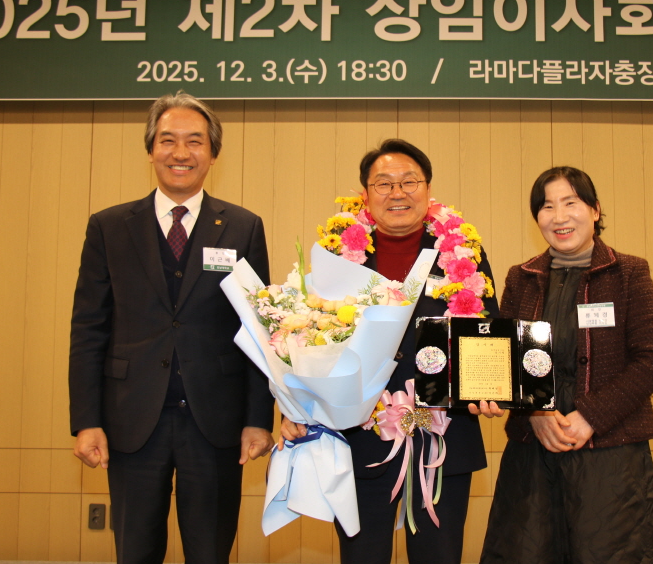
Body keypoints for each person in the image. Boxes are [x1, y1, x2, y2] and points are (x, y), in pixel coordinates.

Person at [68, 91, 274, 564]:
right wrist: (87, 420)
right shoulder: (109, 227)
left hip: (216, 423)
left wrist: (257, 419)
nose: (181, 152)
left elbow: (259, 327)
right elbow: (89, 329)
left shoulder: (243, 227)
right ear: (150, 149)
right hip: (131, 421)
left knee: (210, 552)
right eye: (168, 140)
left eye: (195, 141)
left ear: (213, 153)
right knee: (135, 552)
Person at [282, 139, 499, 564]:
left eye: (409, 181)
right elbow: (308, 339)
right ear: (365, 194)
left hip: (443, 437)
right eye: (383, 183)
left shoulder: (463, 253)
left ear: (428, 189)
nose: (397, 192)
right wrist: (297, 406)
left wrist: (488, 388)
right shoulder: (337, 254)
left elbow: (483, 329)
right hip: (361, 436)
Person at [470, 166, 653, 564]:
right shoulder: (522, 277)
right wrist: (533, 413)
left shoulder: (629, 272)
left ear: (595, 210)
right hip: (533, 454)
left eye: (570, 203)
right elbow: (504, 361)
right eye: (547, 207)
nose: (559, 216)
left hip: (611, 456)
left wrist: (591, 416)